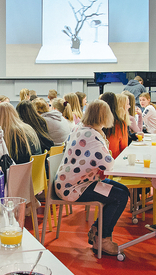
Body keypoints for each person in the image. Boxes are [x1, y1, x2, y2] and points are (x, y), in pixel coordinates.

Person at [54, 100, 129, 256]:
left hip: (73, 182)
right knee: (120, 196)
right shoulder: (92, 136)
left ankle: (97, 230)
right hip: (74, 188)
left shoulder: (82, 129)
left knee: (123, 190)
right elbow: (108, 165)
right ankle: (103, 239)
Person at [100, 92, 128, 158]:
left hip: (97, 160)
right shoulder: (120, 124)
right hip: (114, 159)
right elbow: (124, 147)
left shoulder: (95, 122)